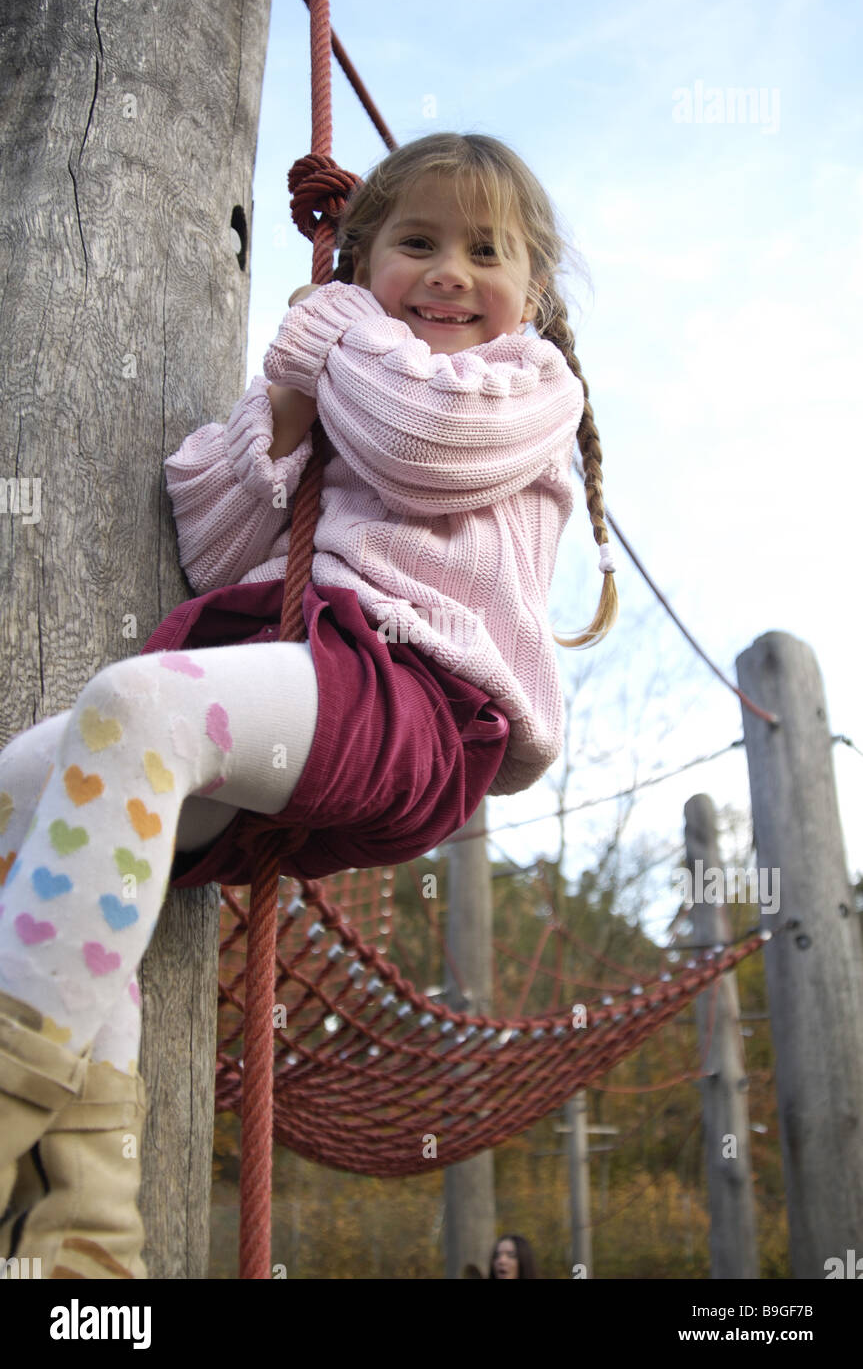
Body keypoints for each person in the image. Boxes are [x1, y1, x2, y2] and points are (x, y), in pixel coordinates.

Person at [0, 131, 618, 1278]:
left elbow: (428, 442)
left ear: (529, 295)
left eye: (483, 251)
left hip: (421, 704)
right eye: (414, 243)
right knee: (24, 806)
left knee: (140, 708)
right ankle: (82, 1226)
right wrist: (283, 404)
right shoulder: (341, 368)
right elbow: (213, 542)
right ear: (363, 259)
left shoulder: (526, 386)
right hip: (310, 692)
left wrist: (335, 337)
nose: (445, 271)